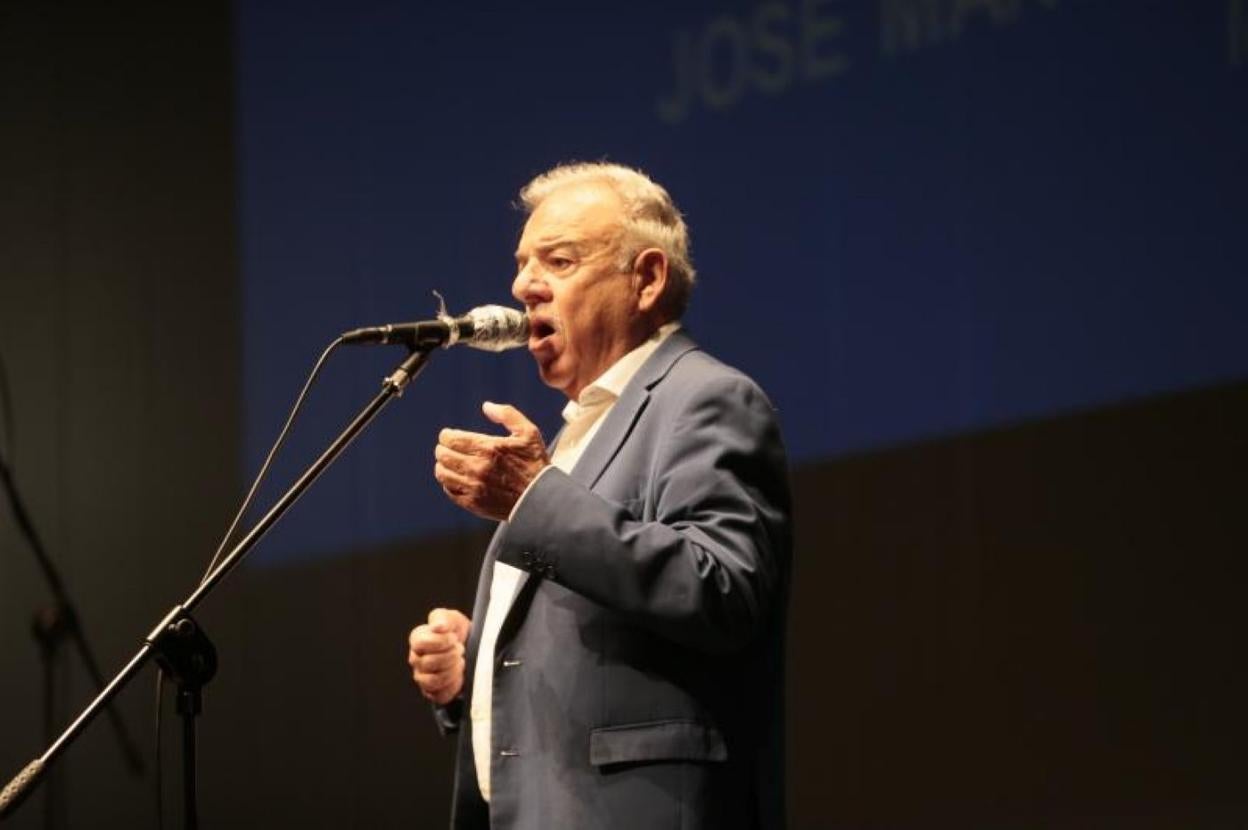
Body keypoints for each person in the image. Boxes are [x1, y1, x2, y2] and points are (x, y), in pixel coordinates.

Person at [406, 162, 792, 829]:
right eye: (524, 264)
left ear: (645, 279)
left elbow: (723, 590)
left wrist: (535, 498)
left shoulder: (705, 399)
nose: (523, 285)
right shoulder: (580, 432)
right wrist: (474, 670)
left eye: (558, 260)